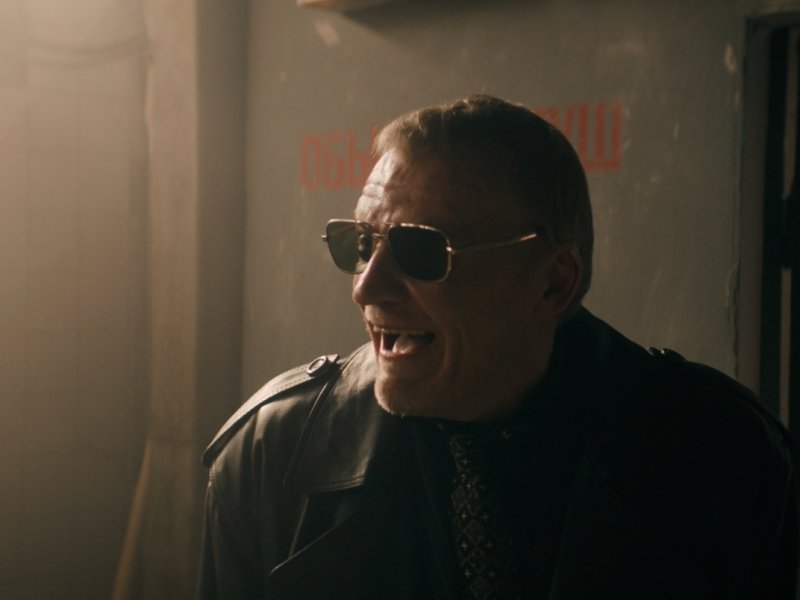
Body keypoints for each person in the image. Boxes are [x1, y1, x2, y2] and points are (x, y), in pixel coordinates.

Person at [197, 95, 798, 599]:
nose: (366, 287)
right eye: (361, 242)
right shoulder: (268, 457)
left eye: (421, 250)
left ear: (553, 281)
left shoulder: (725, 455)